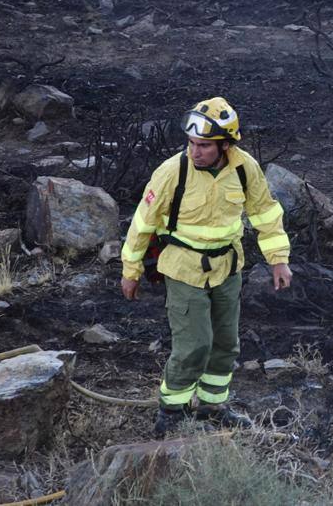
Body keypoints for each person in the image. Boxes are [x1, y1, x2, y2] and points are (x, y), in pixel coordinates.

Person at [119, 97, 292, 438]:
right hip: (184, 269)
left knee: (226, 343)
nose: (195, 152)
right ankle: (172, 413)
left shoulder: (244, 168)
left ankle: (213, 408)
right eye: (192, 143)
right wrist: (130, 271)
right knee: (195, 344)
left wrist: (278, 260)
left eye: (204, 146)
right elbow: (142, 223)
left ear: (225, 145)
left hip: (227, 268)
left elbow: (265, 214)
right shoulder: (173, 171)